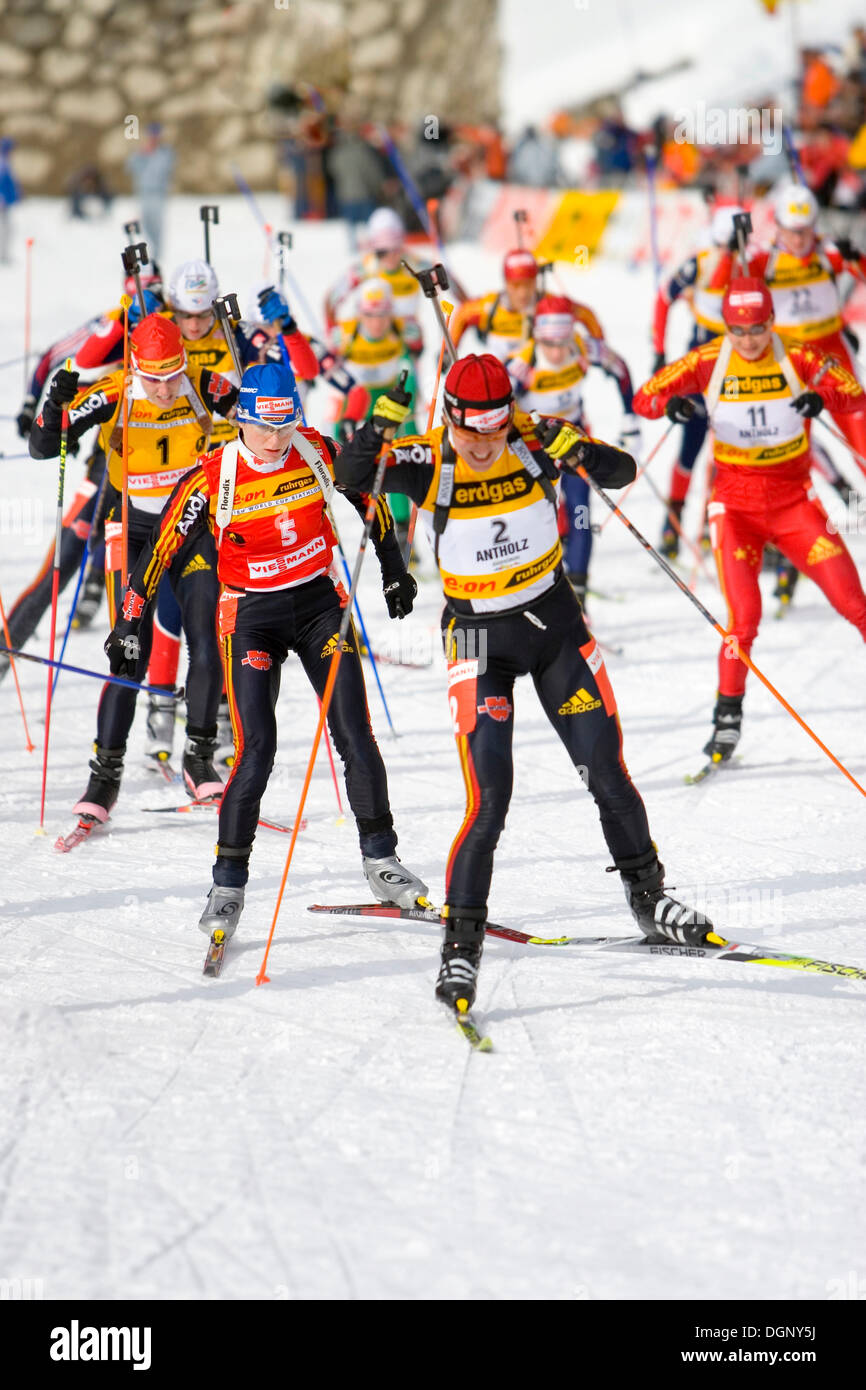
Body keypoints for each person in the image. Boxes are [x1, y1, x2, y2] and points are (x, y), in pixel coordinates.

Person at [336, 352, 714, 1012]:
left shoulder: (535, 438)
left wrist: (584, 450)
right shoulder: (429, 457)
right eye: (470, 431)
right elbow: (351, 478)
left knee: (606, 771)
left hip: (556, 629)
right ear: (449, 418)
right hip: (480, 639)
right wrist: (374, 430)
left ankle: (649, 898)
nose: (483, 446)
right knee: (491, 797)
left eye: (494, 429)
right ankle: (460, 947)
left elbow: (620, 473)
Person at [103, 361, 427, 936]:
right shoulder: (213, 475)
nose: (276, 440)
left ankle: (382, 860)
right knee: (258, 749)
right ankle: (228, 882)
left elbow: (368, 497)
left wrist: (393, 567)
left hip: (320, 606)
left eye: (285, 425)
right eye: (264, 427)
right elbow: (159, 550)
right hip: (250, 616)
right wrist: (130, 621)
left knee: (354, 732)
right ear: (242, 421)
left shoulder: (317, 451)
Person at [633, 278, 866, 763]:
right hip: (735, 509)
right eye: (738, 330)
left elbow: (852, 391)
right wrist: (669, 405)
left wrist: (823, 399)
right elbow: (645, 397)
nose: (748, 340)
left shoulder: (796, 355)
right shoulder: (709, 359)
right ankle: (727, 720)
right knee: (743, 620)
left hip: (795, 504)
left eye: (757, 329)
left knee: (854, 604)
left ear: (770, 322)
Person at [29, 315, 239, 826]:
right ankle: (105, 775)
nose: (166, 388)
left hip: (192, 531)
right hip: (135, 532)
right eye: (154, 377)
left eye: (174, 374)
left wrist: (254, 375)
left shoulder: (203, 385)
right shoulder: (115, 393)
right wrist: (53, 406)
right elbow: (42, 446)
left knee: (208, 641)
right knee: (129, 654)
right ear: (136, 369)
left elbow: (263, 417)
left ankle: (199, 753)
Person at [506, 294, 641, 602]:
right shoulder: (522, 363)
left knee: (581, 511)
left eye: (562, 342)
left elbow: (620, 369)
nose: (556, 351)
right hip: (534, 448)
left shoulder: (583, 347)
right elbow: (501, 405)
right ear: (537, 336)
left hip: (574, 439)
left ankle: (578, 592)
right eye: (549, 343)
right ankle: (538, 589)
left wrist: (630, 418)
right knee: (539, 515)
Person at [651, 205, 745, 557]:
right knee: (690, 445)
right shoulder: (703, 261)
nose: (730, 254)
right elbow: (663, 296)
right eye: (725, 245)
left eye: (734, 246)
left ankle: (712, 522)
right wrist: (659, 350)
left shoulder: (753, 265)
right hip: (702, 358)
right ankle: (672, 522)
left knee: (726, 448)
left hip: (737, 362)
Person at [331, 277, 423, 551]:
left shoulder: (403, 328)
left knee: (398, 461)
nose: (376, 322)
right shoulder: (344, 334)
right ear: (360, 312)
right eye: (370, 315)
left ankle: (403, 529)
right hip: (357, 400)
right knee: (341, 463)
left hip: (391, 399)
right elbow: (330, 372)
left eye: (383, 315)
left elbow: (412, 366)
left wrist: (405, 402)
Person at [324, 207, 424, 338]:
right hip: (371, 339)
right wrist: (332, 332)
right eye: (382, 253)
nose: (390, 257)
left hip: (403, 340)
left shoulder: (414, 264)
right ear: (373, 248)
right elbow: (331, 299)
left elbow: (447, 283)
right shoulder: (365, 268)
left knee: (415, 334)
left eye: (396, 249)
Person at [125, 123, 175, 261]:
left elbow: (167, 168)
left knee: (157, 225)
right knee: (145, 224)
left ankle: (158, 253)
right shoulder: (140, 152)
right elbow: (130, 167)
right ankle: (148, 249)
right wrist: (141, 154)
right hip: (144, 194)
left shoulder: (165, 152)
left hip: (158, 194)